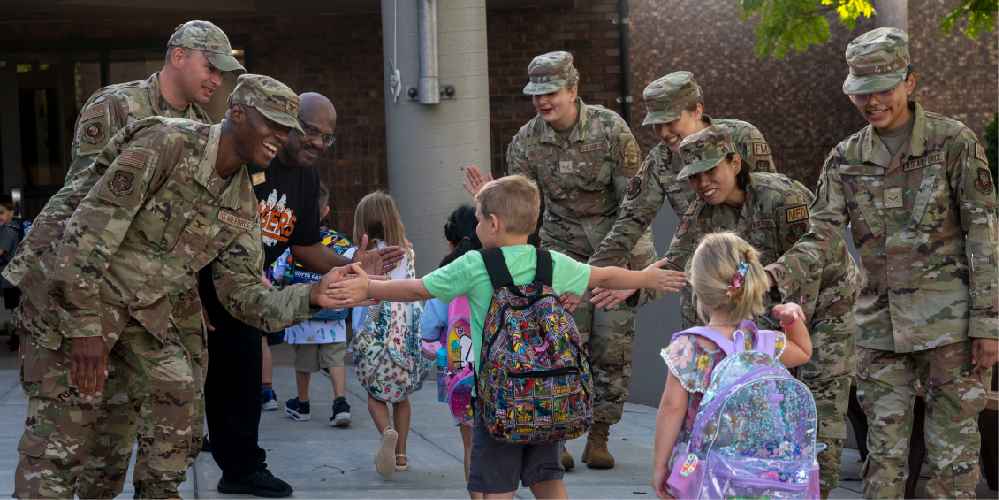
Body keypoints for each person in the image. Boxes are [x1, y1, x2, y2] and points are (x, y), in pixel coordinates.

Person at [8, 74, 365, 500]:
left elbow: (243, 295)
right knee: (58, 454)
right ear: (237, 113)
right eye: (273, 123)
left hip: (141, 311)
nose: (281, 137)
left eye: (288, 129)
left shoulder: (242, 203)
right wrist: (85, 329)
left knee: (136, 440)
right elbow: (88, 234)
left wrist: (313, 294)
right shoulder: (167, 144)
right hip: (73, 297)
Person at [327, 175, 687, 499]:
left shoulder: (474, 265)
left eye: (481, 218)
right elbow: (604, 276)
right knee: (547, 478)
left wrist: (367, 286)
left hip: (498, 400)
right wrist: (646, 278)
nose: (478, 226)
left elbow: (418, 290)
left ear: (493, 224)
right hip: (547, 394)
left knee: (496, 485)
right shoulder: (551, 262)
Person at [1, 21, 245, 498]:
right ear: (178, 56)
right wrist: (81, 319)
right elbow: (84, 207)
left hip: (133, 304)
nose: (217, 79)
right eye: (210, 66)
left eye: (224, 72)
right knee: (59, 443)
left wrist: (181, 293)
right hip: (75, 290)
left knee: (111, 447)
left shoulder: (200, 127)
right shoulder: (114, 105)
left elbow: (176, 227)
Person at [764, 28, 998, 499]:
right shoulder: (845, 159)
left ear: (910, 82)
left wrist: (989, 323)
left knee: (953, 459)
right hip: (878, 329)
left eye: (885, 88)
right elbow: (821, 237)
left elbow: (984, 235)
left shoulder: (953, 142)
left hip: (951, 329)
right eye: (862, 92)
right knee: (884, 457)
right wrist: (771, 275)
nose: (873, 101)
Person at [199, 91, 404, 497]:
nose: (316, 143)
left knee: (241, 377)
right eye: (310, 131)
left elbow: (304, 245)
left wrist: (352, 262)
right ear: (287, 123)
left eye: (326, 138)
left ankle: (240, 468)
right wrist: (192, 289)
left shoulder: (307, 180)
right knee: (185, 379)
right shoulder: (252, 160)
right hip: (201, 280)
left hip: (243, 291)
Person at [463, 51, 657, 470]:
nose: (542, 101)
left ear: (573, 90)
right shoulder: (527, 141)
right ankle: (559, 433)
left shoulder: (610, 129)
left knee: (612, 347)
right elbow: (519, 209)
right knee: (561, 343)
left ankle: (600, 435)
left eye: (551, 92)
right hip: (561, 252)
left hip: (616, 249)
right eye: (535, 94)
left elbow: (634, 206)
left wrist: (614, 269)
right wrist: (489, 200)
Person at [660, 125, 860, 496]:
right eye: (694, 177)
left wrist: (781, 322)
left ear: (735, 163)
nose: (703, 183)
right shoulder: (701, 215)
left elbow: (814, 257)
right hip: (767, 315)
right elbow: (678, 270)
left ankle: (819, 488)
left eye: (711, 170)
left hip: (827, 302)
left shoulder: (782, 197)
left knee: (820, 401)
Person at [588, 71, 780, 311]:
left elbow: (768, 207)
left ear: (697, 111)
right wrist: (586, 277)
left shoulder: (742, 138)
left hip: (754, 273)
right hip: (702, 279)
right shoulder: (660, 160)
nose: (664, 131)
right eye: (657, 124)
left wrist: (747, 277)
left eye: (671, 121)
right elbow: (628, 224)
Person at [651, 232, 813, 500]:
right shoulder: (762, 344)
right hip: (761, 472)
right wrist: (791, 320)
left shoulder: (688, 348)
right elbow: (804, 352)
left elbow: (673, 408)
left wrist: (660, 467)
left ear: (698, 288)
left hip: (705, 472)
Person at [342, 191, 423, 477]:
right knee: (401, 397)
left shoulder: (358, 256)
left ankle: (386, 431)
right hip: (403, 336)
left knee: (374, 394)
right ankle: (401, 455)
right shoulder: (408, 251)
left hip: (372, 335)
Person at [277, 184, 354, 426]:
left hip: (303, 312)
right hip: (334, 311)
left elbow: (279, 275)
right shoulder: (341, 243)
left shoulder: (292, 242)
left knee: (303, 361)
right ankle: (340, 402)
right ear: (326, 211)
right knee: (335, 359)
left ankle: (303, 403)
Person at [419, 205, 483, 497]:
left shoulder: (444, 277)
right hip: (502, 373)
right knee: (499, 450)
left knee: (471, 446)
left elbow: (429, 329)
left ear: (450, 242)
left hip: (461, 379)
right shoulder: (496, 271)